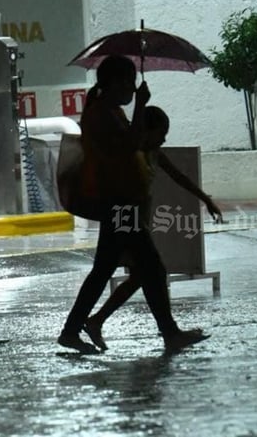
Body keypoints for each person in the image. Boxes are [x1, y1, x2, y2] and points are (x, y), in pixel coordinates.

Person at [57, 55, 209, 354]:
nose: (132, 87)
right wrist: (140, 105)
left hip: (122, 202)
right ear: (113, 82)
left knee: (108, 269)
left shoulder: (110, 111)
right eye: (129, 81)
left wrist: (137, 107)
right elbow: (129, 146)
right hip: (119, 203)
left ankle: (73, 330)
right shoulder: (99, 114)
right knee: (150, 267)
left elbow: (135, 142)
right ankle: (169, 333)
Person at [82, 105, 224, 351]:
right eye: (161, 132)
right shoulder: (130, 152)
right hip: (125, 220)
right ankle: (168, 333)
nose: (164, 138)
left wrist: (205, 198)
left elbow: (178, 176)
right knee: (151, 271)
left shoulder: (153, 152)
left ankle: (97, 321)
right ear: (145, 131)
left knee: (144, 274)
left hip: (137, 220)